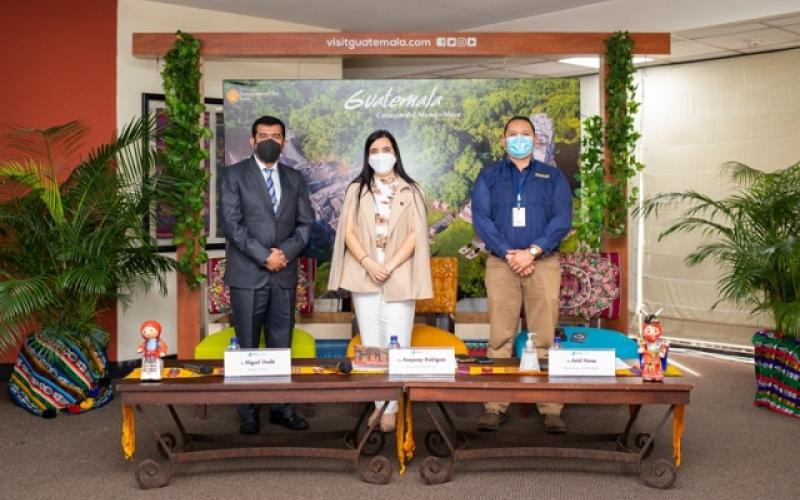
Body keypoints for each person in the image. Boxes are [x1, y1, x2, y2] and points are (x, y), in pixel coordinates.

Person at [471, 116, 573, 433]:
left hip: (543, 264)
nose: (519, 139)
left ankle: (550, 408)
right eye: (512, 134)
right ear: (503, 140)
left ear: (535, 139)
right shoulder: (489, 176)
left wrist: (533, 251)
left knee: (544, 336)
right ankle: (494, 406)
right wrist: (510, 253)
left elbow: (562, 219)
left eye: (525, 134)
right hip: (502, 265)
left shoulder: (552, 177)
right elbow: (482, 220)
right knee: (499, 337)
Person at [328, 130, 432, 433]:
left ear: (395, 153)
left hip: (399, 272)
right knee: (371, 343)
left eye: (385, 149)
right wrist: (369, 263)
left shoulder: (412, 190)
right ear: (367, 156)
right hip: (365, 272)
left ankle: (394, 407)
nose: (380, 155)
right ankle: (378, 404)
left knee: (397, 341)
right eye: (374, 151)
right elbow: (348, 232)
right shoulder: (356, 189)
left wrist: (390, 264)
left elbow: (416, 235)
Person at [219, 115, 315, 435]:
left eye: (275, 136)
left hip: (284, 274)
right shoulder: (234, 175)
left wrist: (284, 253)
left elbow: (305, 223)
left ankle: (281, 407)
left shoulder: (295, 178)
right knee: (247, 344)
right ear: (252, 140)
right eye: (263, 136)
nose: (269, 141)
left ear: (284, 142)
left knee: (281, 344)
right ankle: (248, 411)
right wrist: (264, 256)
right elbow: (231, 224)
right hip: (248, 274)